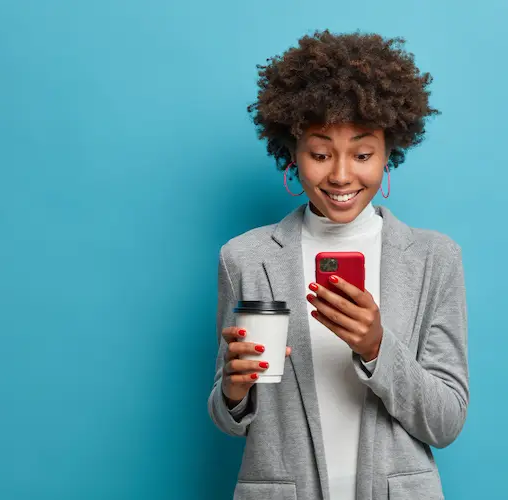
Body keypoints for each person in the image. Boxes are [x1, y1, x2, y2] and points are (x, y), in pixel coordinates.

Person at [208, 30, 469, 500]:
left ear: (390, 152)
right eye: (321, 153)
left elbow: (446, 421)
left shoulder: (434, 259)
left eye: (363, 154)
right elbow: (229, 419)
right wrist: (232, 389)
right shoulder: (244, 258)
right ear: (293, 153)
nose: (342, 175)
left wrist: (376, 348)